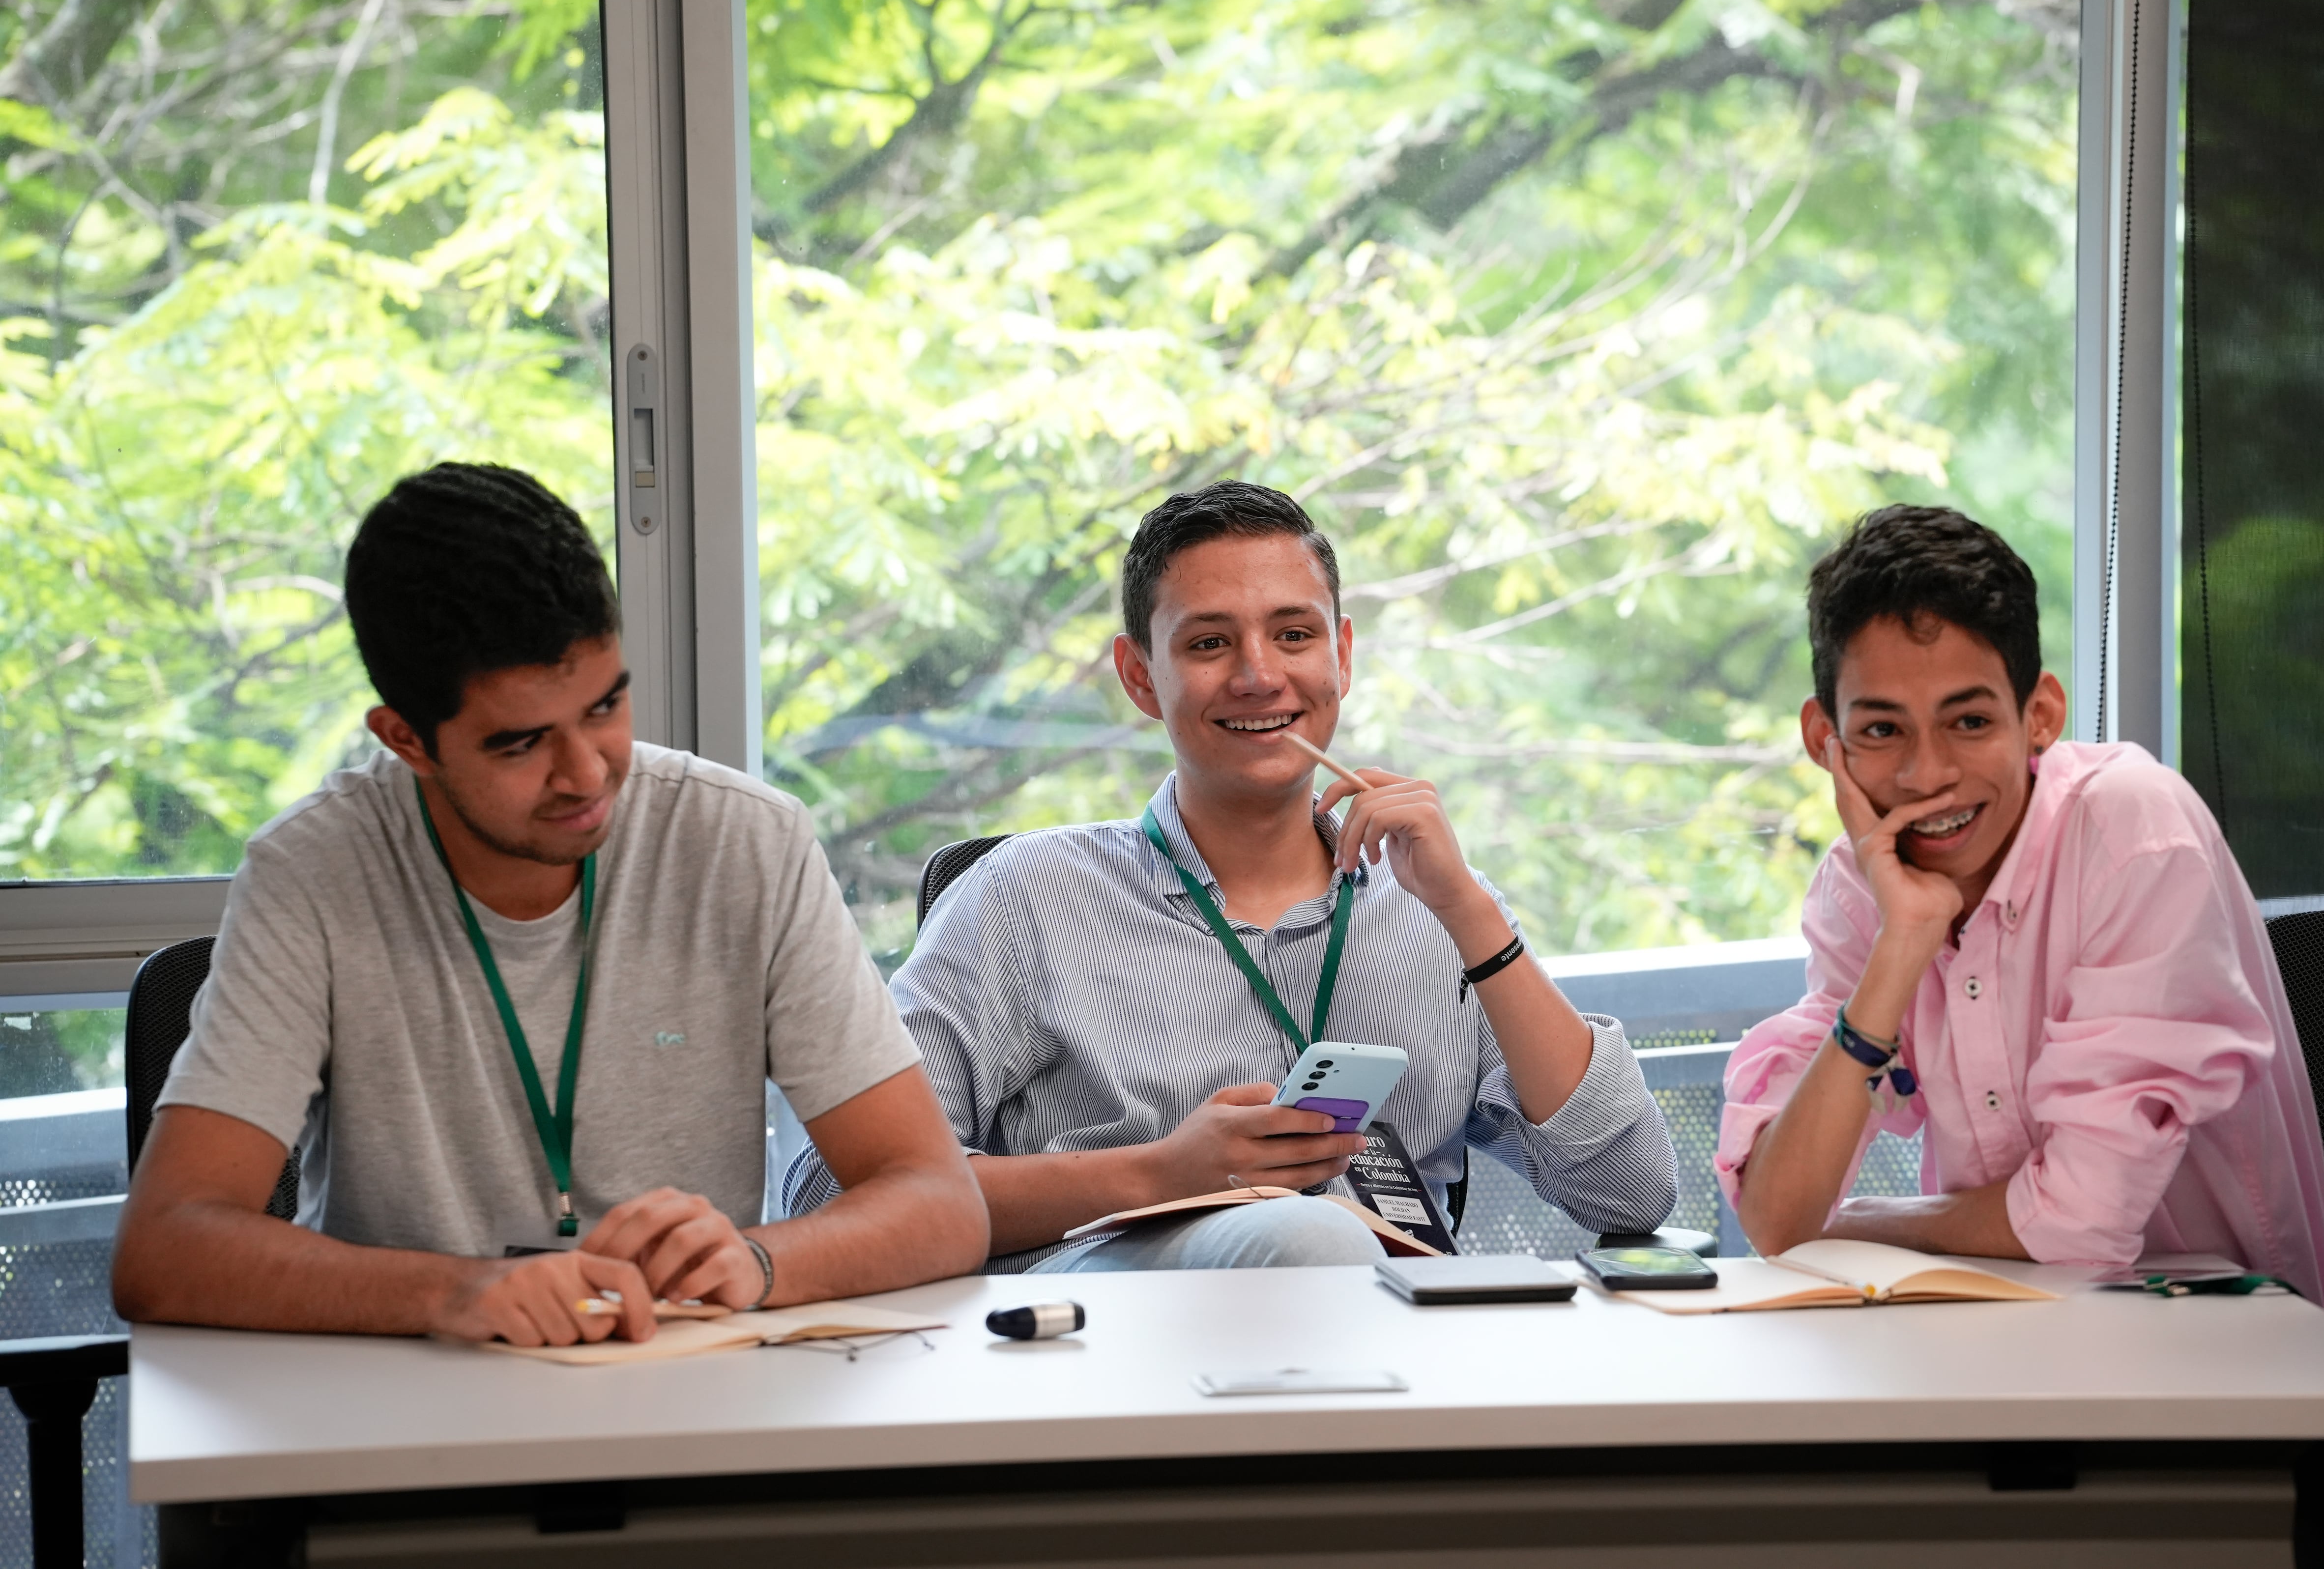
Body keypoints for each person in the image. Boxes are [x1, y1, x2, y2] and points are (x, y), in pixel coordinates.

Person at [111, 463, 987, 1347]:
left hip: (682, 1382)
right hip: (410, 1391)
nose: (586, 772)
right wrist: (456, 1294)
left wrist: (757, 1262)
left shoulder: (745, 841)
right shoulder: (313, 872)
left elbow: (940, 1202)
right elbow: (165, 1249)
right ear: (407, 739)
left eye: (605, 705)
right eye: (521, 743)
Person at [800, 481, 1679, 1273]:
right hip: (1109, 1350)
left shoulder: (1438, 905)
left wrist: (1472, 914)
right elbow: (837, 1195)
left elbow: (1632, 1195)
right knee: (1310, 1239)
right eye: (1211, 643)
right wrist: (1159, 1173)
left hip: (1394, 1355)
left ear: (1341, 655)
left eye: (1294, 635)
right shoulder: (1026, 894)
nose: (1260, 675)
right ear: (1140, 677)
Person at [1716, 505, 2324, 1307]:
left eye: (1970, 721)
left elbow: (2080, 1224)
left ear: (2039, 715)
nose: (1926, 775)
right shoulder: (1864, 881)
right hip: (2007, 1341)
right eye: (1881, 730)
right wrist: (1904, 942)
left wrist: (1867, 1223)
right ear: (1823, 738)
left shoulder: (2133, 833)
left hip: (2236, 1351)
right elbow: (1778, 1216)